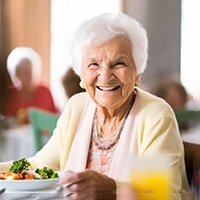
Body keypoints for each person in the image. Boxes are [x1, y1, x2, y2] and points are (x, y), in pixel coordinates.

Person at [0, 13, 190, 199]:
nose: (105, 76)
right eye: (93, 64)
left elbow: (162, 194)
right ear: (80, 74)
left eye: (119, 63)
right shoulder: (77, 107)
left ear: (138, 72)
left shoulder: (154, 115)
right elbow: (38, 167)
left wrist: (111, 189)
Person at [1, 47, 59, 125]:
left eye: (32, 71)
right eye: (25, 73)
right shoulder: (9, 94)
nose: (30, 76)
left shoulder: (45, 91)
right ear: (16, 75)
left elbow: (56, 118)